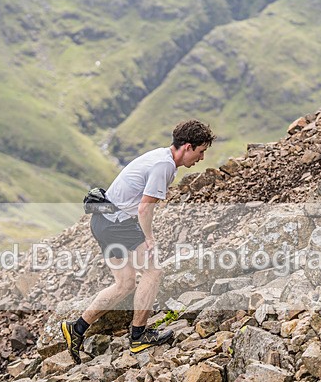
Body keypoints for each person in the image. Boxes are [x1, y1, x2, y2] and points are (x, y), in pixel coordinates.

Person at [61, 120, 216, 363]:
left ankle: (77, 328)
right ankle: (139, 336)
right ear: (187, 147)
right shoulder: (164, 165)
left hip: (102, 222)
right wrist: (149, 238)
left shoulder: (161, 157)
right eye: (201, 151)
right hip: (117, 224)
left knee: (125, 284)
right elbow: (144, 209)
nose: (202, 158)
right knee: (153, 272)